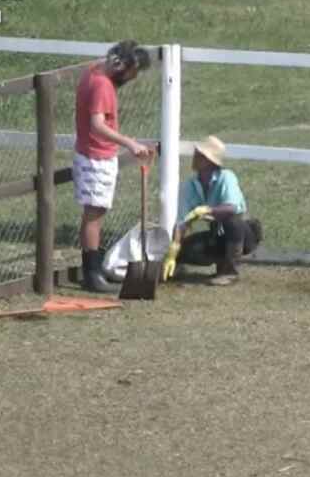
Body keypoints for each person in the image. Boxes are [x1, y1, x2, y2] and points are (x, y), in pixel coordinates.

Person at [74, 39, 153, 293]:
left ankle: (93, 269)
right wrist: (129, 143)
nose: (134, 77)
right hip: (96, 156)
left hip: (93, 154)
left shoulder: (93, 71)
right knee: (94, 215)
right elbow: (97, 124)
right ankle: (92, 274)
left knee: (95, 213)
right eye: (134, 71)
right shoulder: (102, 85)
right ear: (123, 67)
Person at [162, 135, 261, 286]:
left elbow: (232, 208)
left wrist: (207, 210)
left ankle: (229, 272)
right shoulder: (190, 186)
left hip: (243, 235)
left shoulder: (227, 177)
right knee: (185, 249)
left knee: (231, 220)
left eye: (199, 155)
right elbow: (182, 222)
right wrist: (173, 252)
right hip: (217, 233)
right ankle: (178, 266)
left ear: (209, 160)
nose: (194, 157)